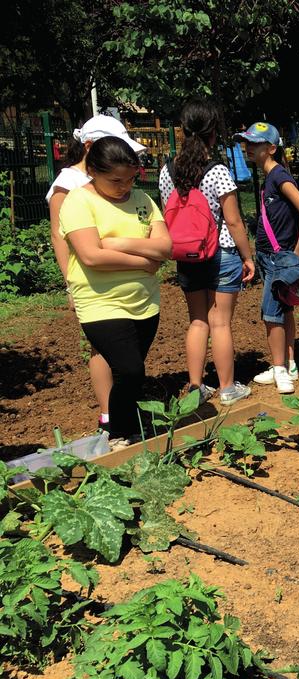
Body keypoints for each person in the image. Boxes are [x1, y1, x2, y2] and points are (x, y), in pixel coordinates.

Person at [59, 137, 171, 447]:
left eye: (130, 178)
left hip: (145, 302)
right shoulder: (79, 201)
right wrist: (143, 261)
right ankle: (118, 433)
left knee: (131, 373)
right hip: (100, 301)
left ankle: (131, 425)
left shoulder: (142, 201)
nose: (124, 186)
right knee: (130, 369)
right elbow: (91, 256)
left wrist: (117, 243)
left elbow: (165, 246)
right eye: (115, 180)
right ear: (93, 172)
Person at [46, 115, 147, 433]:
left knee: (123, 348)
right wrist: (71, 285)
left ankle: (122, 409)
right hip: (92, 280)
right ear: (90, 146)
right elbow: (58, 237)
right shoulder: (68, 185)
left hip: (122, 279)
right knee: (101, 348)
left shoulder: (109, 180)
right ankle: (109, 413)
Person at [158, 97, 255, 406]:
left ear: (184, 131)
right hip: (222, 252)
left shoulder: (165, 172)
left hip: (186, 255)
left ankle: (196, 387)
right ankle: (227, 388)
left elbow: (167, 214)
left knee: (197, 321)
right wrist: (248, 257)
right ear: (213, 132)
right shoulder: (217, 172)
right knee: (221, 322)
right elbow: (234, 221)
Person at [235, 121, 299, 395]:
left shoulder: (279, 176)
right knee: (284, 310)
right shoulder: (271, 176)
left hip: (278, 258)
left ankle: (280, 370)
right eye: (246, 142)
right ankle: (289, 364)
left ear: (270, 148)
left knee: (271, 314)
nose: (248, 147)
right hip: (270, 258)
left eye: (254, 143)